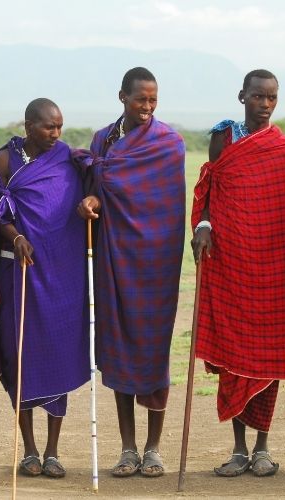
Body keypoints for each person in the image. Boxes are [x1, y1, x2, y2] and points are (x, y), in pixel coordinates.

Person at [190, 69, 285, 477]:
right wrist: (203, 227)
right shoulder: (223, 139)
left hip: (274, 269)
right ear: (243, 96)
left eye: (272, 98)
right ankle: (238, 448)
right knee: (232, 356)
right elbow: (209, 189)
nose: (265, 104)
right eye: (258, 96)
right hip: (231, 264)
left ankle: (262, 447)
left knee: (267, 358)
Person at [75, 67, 185, 478]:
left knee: (154, 349)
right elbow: (93, 188)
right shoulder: (103, 140)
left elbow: (169, 206)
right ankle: (126, 448)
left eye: (154, 100)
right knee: (117, 344)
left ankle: (153, 449)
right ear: (123, 96)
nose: (148, 107)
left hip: (155, 261)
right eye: (141, 99)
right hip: (113, 256)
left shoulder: (168, 143)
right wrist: (89, 200)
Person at [0, 98, 89, 478]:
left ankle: (52, 450)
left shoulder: (68, 159)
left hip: (62, 272)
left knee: (58, 352)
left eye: (60, 127)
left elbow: (90, 190)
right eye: (49, 127)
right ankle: (29, 448)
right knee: (19, 356)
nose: (56, 134)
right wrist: (15, 238)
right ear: (29, 125)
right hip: (20, 270)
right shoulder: (3, 160)